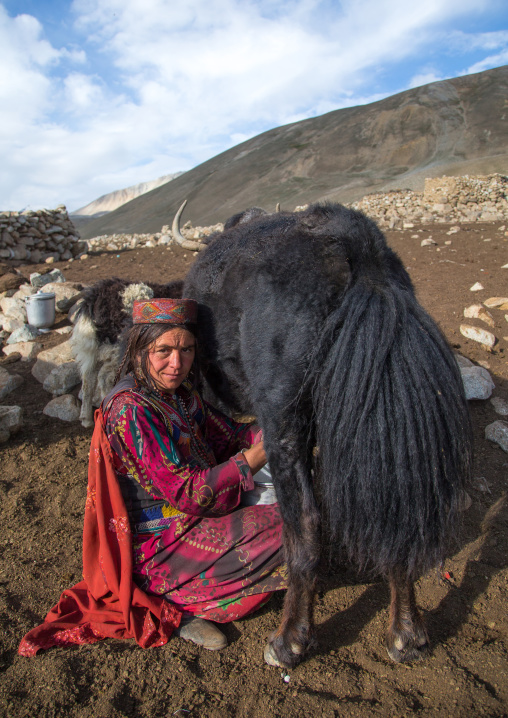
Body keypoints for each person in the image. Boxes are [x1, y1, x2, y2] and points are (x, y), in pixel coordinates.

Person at [19, 298, 287, 657]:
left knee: (296, 507)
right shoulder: (131, 410)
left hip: (194, 520)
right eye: (164, 351)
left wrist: (278, 429)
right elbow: (189, 492)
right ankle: (179, 601)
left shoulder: (180, 395)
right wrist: (258, 455)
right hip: (159, 544)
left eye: (186, 350)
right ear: (140, 349)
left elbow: (229, 436)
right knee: (289, 527)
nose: (176, 363)